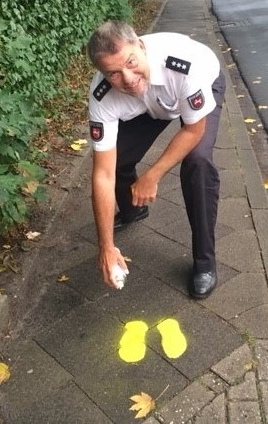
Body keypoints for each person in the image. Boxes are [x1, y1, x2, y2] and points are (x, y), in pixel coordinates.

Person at [86, 20, 226, 299]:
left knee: (197, 163)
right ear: (102, 74)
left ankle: (205, 263)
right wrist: (106, 246)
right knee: (118, 160)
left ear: (140, 45)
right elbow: (103, 174)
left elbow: (192, 129)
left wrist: (152, 175)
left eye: (130, 62)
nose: (126, 78)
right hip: (148, 105)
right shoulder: (101, 96)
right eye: (113, 74)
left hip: (193, 90)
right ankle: (132, 209)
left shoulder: (184, 65)